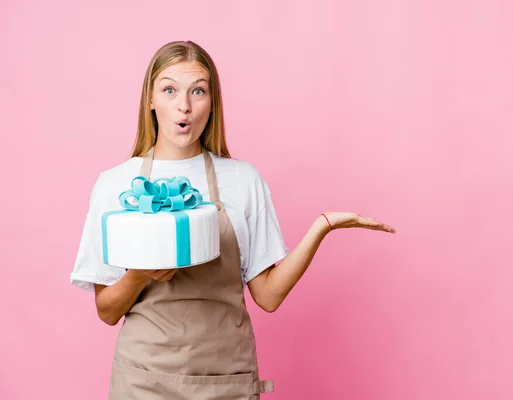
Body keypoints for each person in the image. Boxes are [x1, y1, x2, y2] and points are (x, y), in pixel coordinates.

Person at [70, 40, 395, 399]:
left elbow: (268, 296)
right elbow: (107, 311)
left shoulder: (243, 180)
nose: (184, 105)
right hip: (143, 381)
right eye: (169, 89)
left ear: (213, 102)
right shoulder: (114, 185)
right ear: (150, 99)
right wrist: (140, 274)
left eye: (198, 91)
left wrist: (321, 227)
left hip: (226, 380)